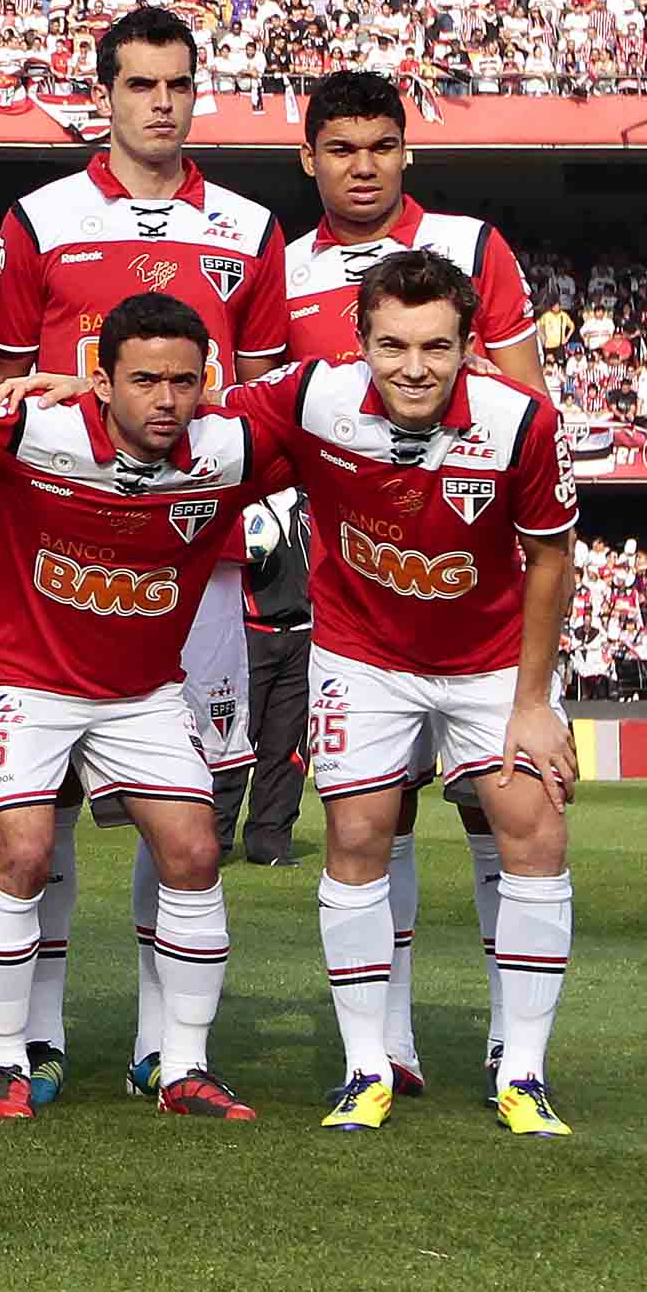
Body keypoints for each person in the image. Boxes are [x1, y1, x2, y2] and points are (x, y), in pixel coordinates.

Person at [0, 6, 286, 1107]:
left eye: (179, 84)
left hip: (191, 562)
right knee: (39, 828)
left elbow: (266, 395)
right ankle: (33, 1041)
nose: (162, 103)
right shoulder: (39, 218)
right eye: (141, 84)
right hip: (60, 550)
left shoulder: (250, 226)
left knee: (190, 834)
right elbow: (6, 383)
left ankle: (169, 1049)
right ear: (103, 94)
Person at [226, 251, 581, 1135]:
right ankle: (367, 1067)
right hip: (363, 655)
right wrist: (75, 394)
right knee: (356, 834)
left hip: (490, 663)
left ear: (469, 345)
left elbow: (550, 557)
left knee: (535, 829)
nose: (414, 367)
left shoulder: (521, 420)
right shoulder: (313, 395)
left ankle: (524, 1072)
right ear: (360, 342)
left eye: (435, 346)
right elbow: (189, 411)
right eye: (392, 346)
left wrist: (533, 701)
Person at [0, 294, 288, 1123]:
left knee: (196, 851)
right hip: (21, 679)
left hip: (141, 692)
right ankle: (3, 1060)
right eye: (144, 381)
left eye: (184, 381)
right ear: (100, 382)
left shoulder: (231, 448)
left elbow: (327, 403)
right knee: (24, 854)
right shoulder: (34, 428)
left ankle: (183, 1066)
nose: (166, 400)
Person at [278, 66, 544, 1086]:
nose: (363, 166)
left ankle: (509, 1041)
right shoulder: (284, 268)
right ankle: (387, 1045)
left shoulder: (473, 245)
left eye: (382, 146)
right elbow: (273, 412)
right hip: (362, 598)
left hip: (475, 587)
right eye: (342, 149)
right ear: (310, 159)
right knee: (371, 814)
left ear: (408, 151)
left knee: (496, 809)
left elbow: (524, 404)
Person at [233, 489, 312, 866]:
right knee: (233, 741)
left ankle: (271, 842)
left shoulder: (311, 504)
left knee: (287, 744)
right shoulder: (240, 500)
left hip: (304, 635)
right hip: (246, 633)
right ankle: (213, 837)